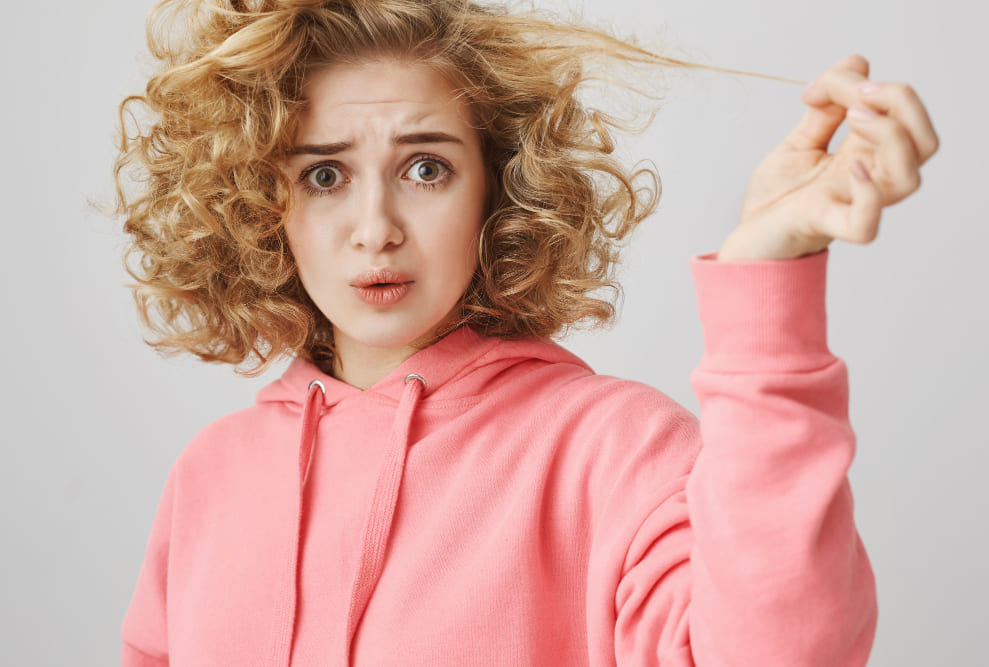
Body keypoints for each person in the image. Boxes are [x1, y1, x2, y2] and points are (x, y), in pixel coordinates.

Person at [114, 1, 939, 665]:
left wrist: (766, 276)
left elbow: (784, 653)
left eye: (426, 168)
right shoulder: (210, 476)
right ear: (262, 202)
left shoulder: (613, 449)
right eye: (324, 175)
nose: (376, 230)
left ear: (497, 185)